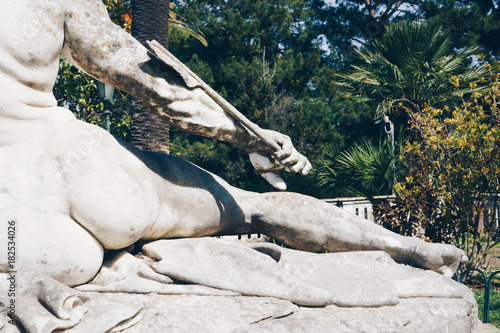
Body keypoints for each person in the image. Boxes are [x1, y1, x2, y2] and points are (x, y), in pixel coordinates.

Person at [0, 0, 466, 287]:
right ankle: (410, 249)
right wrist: (250, 138)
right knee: (254, 205)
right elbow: (155, 84)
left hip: (18, 214)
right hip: (82, 169)